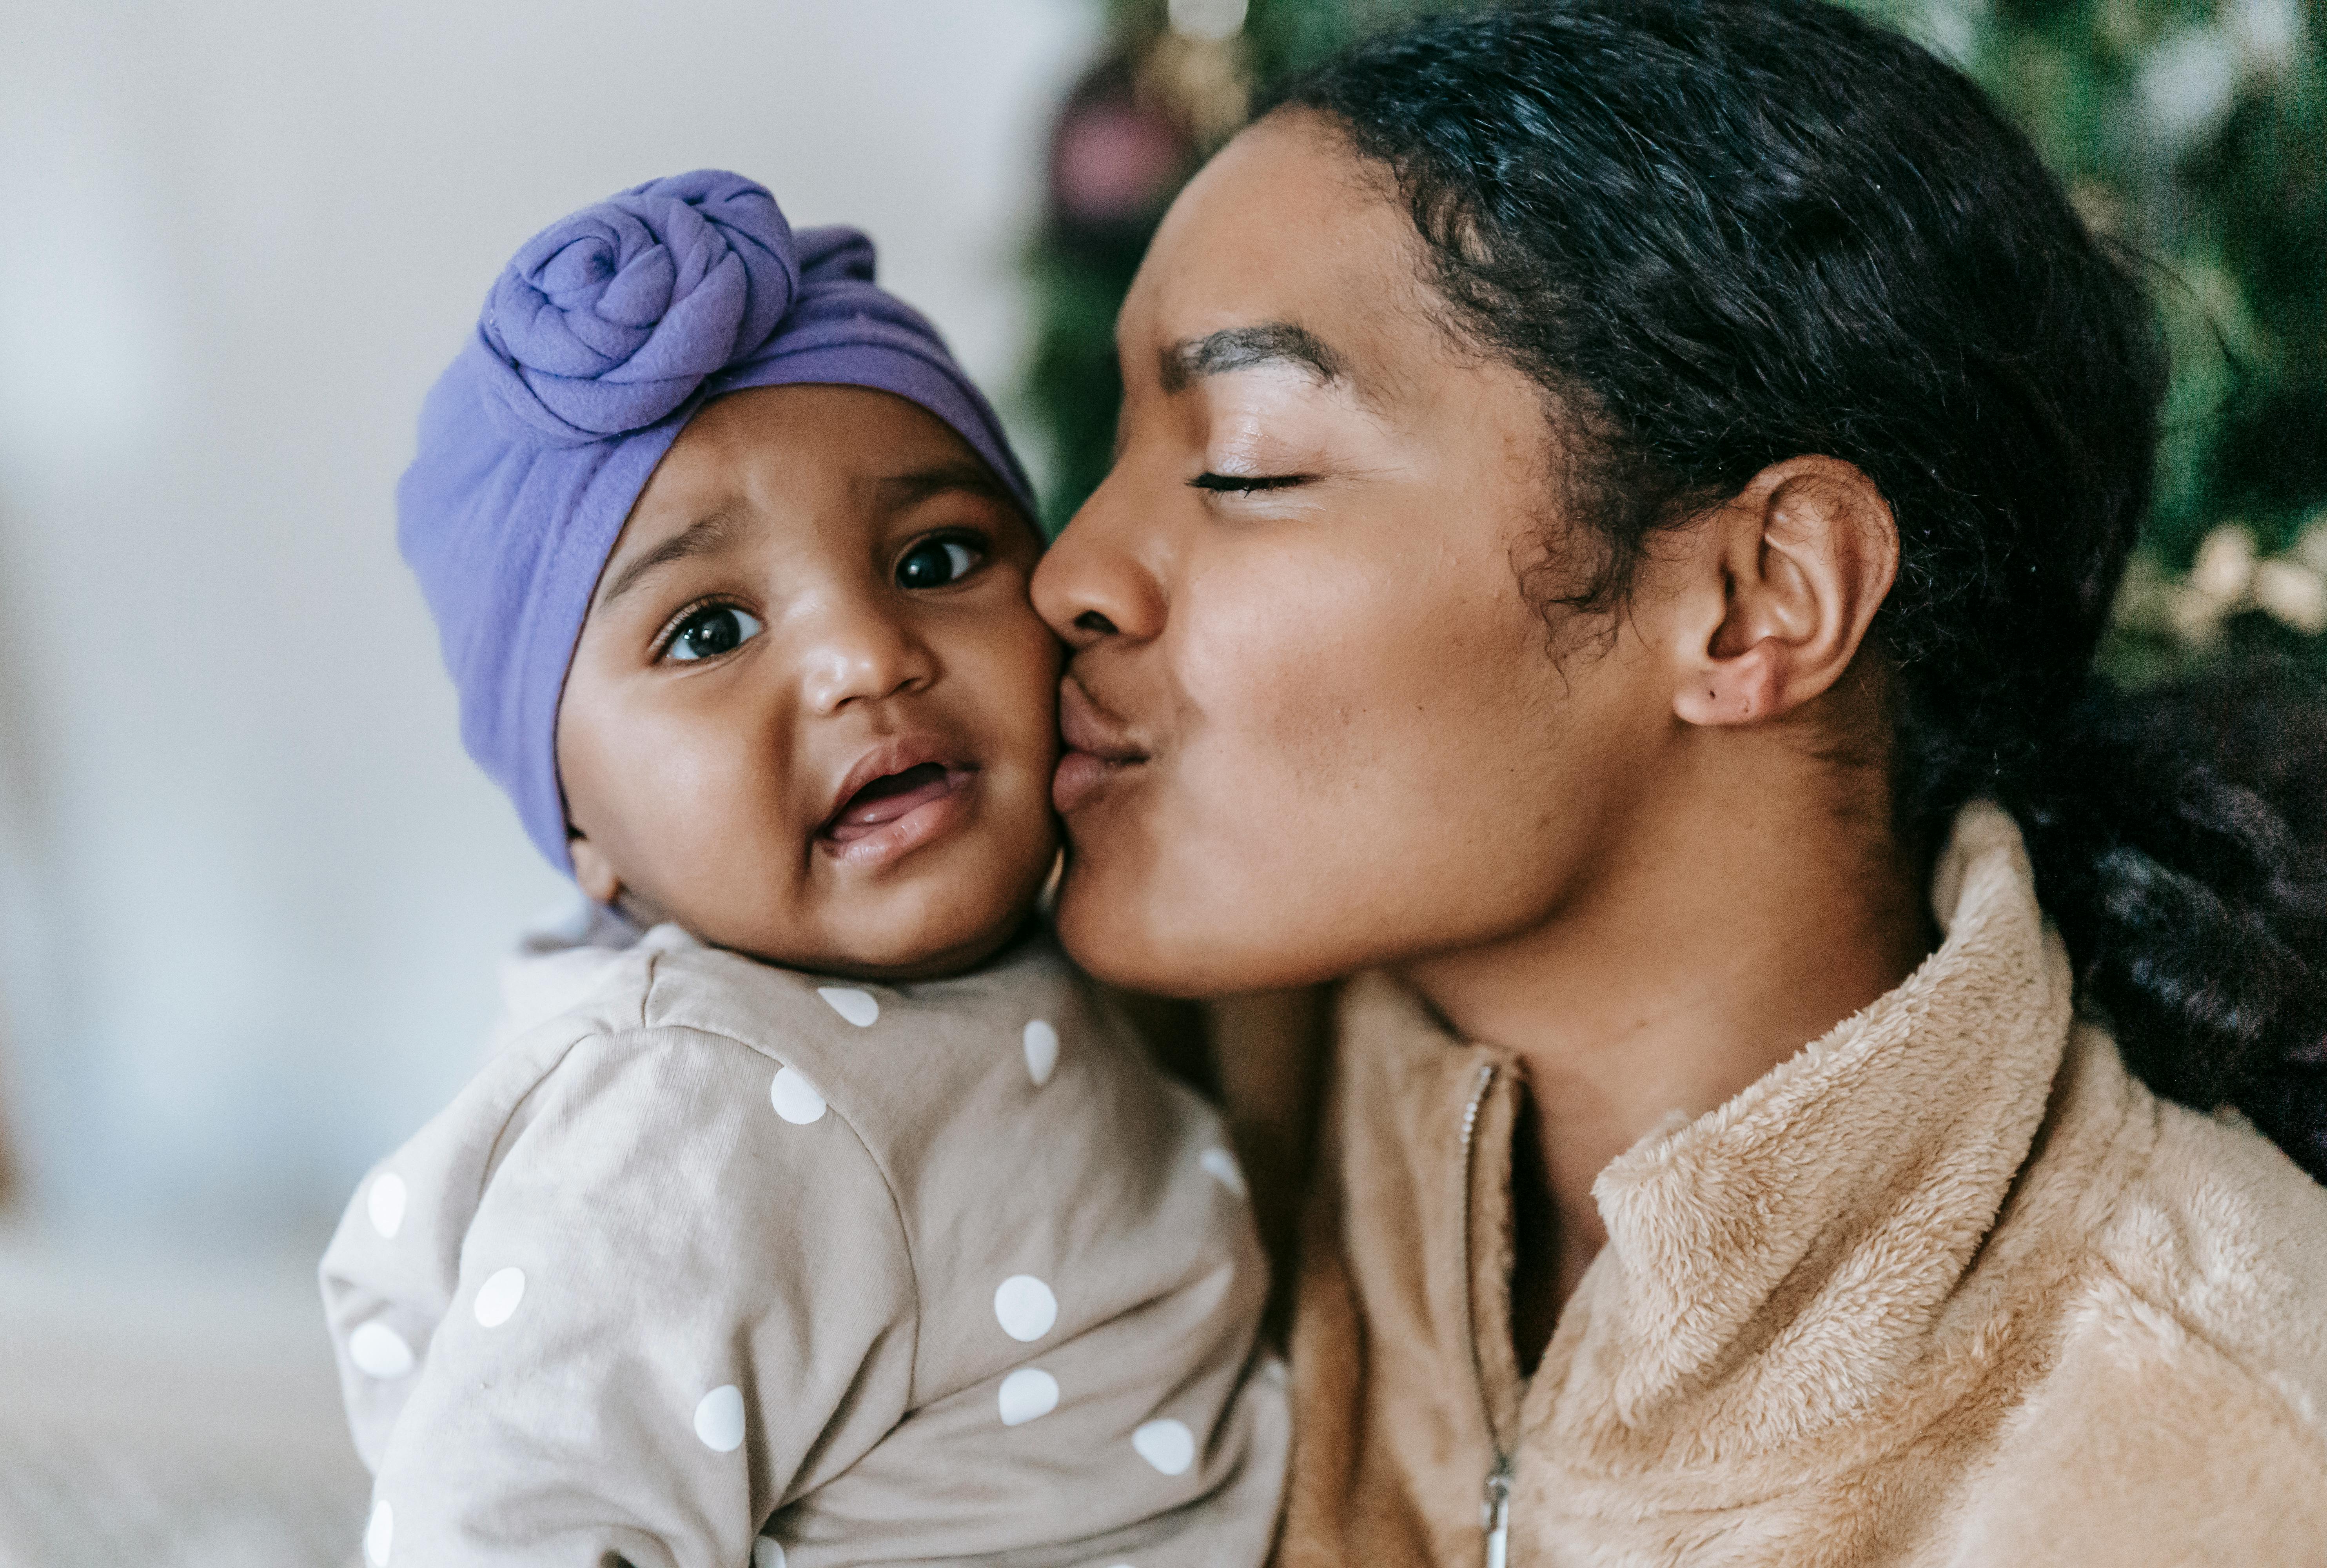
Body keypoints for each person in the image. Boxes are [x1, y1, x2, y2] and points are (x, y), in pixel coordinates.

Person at [1029, 2, 2327, 1563]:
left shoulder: (2230, 1453)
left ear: (1759, 596)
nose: (1073, 573)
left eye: (1243, 460)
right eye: (1115, 454)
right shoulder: (1111, 1112)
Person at [319, 171, 1285, 1568]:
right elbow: (508, 1529)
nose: (865, 656)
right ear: (580, 826)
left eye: (939, 555)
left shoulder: (1071, 926)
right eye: (709, 632)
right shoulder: (693, 1107)